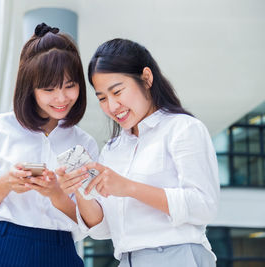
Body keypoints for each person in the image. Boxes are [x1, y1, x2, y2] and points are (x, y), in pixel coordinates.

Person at [56, 38, 220, 267]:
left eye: (117, 91)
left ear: (146, 78)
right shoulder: (112, 150)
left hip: (177, 256)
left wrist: (129, 188)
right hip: (127, 260)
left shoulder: (182, 129)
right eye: (102, 98)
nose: (112, 106)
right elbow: (103, 231)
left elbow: (204, 205)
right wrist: (81, 190)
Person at [0, 23, 98, 267]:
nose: (61, 98)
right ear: (29, 88)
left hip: (60, 249)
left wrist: (56, 193)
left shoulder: (84, 143)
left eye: (69, 86)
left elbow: (90, 222)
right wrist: (7, 183)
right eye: (49, 89)